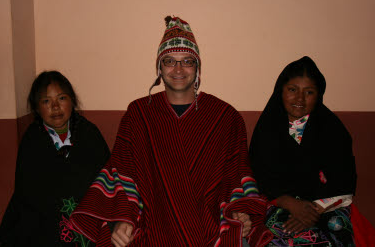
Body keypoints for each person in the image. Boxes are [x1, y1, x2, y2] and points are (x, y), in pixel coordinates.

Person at [70, 16, 273, 246]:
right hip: (151, 227)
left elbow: (236, 175)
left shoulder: (225, 117)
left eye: (187, 61)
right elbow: (121, 171)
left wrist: (240, 212)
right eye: (169, 60)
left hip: (210, 228)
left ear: (197, 67)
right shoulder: (138, 114)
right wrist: (121, 220)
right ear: (159, 67)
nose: (178, 69)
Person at [249, 56, 357, 246]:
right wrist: (290, 204)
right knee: (276, 233)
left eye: (309, 92)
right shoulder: (267, 129)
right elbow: (260, 178)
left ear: (319, 95)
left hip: (326, 208)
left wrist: (312, 211)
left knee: (337, 226)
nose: (299, 98)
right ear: (280, 91)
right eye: (292, 90)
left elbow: (344, 181)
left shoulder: (332, 130)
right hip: (280, 205)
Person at [0, 71, 110, 246]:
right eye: (46, 101)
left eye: (62, 98)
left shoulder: (89, 134)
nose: (55, 107)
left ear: (72, 100)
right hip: (44, 231)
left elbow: (107, 181)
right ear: (36, 107)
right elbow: (27, 195)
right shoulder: (32, 141)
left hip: (89, 227)